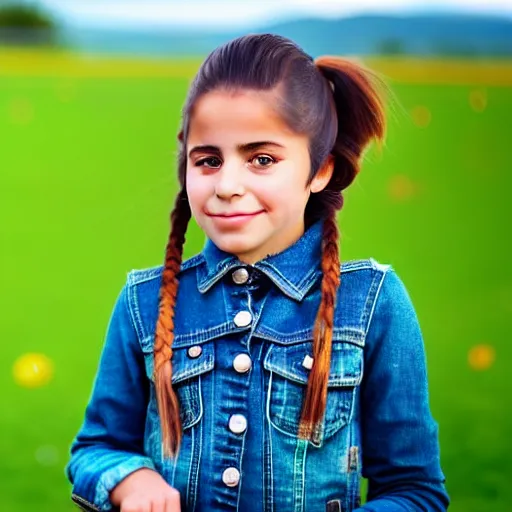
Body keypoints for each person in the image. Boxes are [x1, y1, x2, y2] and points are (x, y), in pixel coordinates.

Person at [65, 33, 450, 512]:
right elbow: (94, 449)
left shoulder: (372, 304)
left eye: (261, 159)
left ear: (320, 169)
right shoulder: (144, 304)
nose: (227, 185)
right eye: (207, 160)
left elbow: (416, 491)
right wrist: (130, 477)